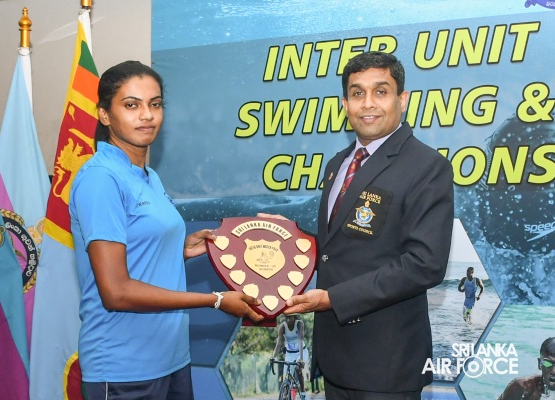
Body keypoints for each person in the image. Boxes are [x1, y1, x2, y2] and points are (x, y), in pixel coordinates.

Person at [69, 60, 263, 400]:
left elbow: (137, 249)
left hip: (171, 359)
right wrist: (215, 300)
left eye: (155, 104)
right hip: (123, 368)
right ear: (104, 115)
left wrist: (179, 250)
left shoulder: (148, 176)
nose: (147, 115)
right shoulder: (101, 179)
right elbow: (116, 291)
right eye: (132, 105)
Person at [282, 51, 455, 399]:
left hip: (385, 364)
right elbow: (337, 247)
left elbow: (425, 264)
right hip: (335, 357)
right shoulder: (337, 164)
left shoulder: (427, 166)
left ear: (402, 100)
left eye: (381, 91)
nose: (368, 103)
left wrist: (333, 299)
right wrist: (284, 241)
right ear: (345, 104)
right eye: (357, 93)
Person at [271, 314, 309, 398]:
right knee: (286, 377)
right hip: (290, 353)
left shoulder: (299, 324)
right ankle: (285, 394)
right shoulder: (282, 327)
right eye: (287, 317)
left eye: (290, 317)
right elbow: (278, 344)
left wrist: (301, 359)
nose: (288, 320)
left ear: (294, 317)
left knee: (298, 368)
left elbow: (300, 340)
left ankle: (303, 391)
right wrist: (273, 357)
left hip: (301, 351)